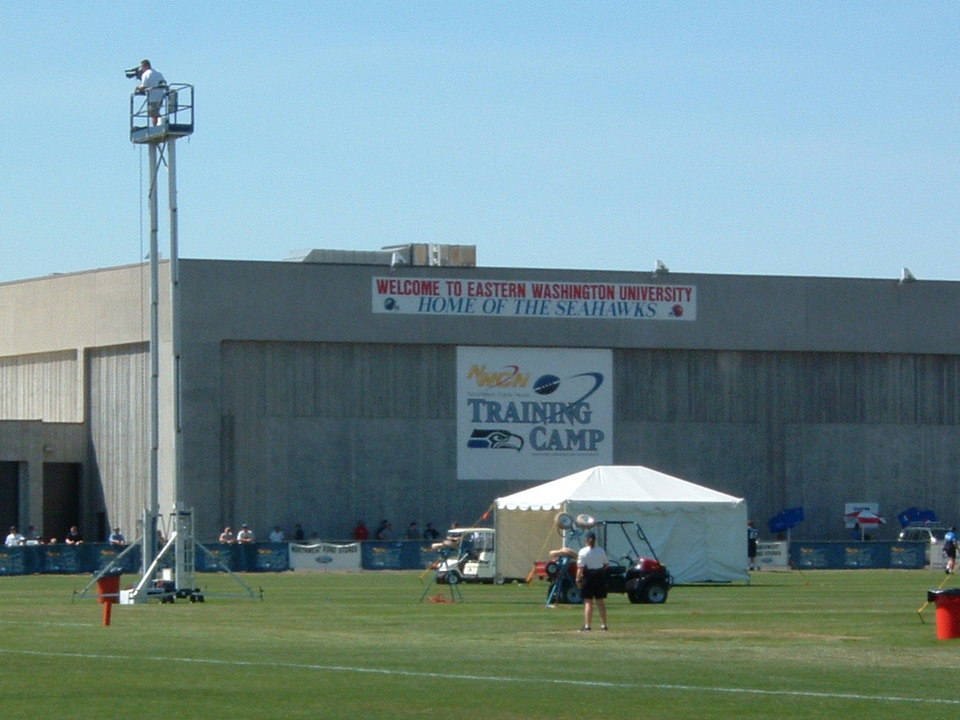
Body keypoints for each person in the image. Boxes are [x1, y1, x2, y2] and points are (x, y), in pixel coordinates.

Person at [575, 531, 609, 631]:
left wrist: (578, 580)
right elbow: (606, 565)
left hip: (588, 576)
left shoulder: (583, 552)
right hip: (599, 576)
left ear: (586, 540)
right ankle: (604, 625)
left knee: (588, 602)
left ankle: (587, 625)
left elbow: (580, 568)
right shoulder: (601, 550)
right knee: (600, 601)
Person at [134, 59, 167, 126]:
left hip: (153, 97)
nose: (141, 69)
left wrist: (137, 88)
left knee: (153, 113)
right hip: (160, 96)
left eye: (142, 67)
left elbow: (143, 86)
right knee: (155, 113)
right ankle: (158, 124)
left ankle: (161, 124)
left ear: (146, 66)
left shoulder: (146, 74)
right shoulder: (158, 73)